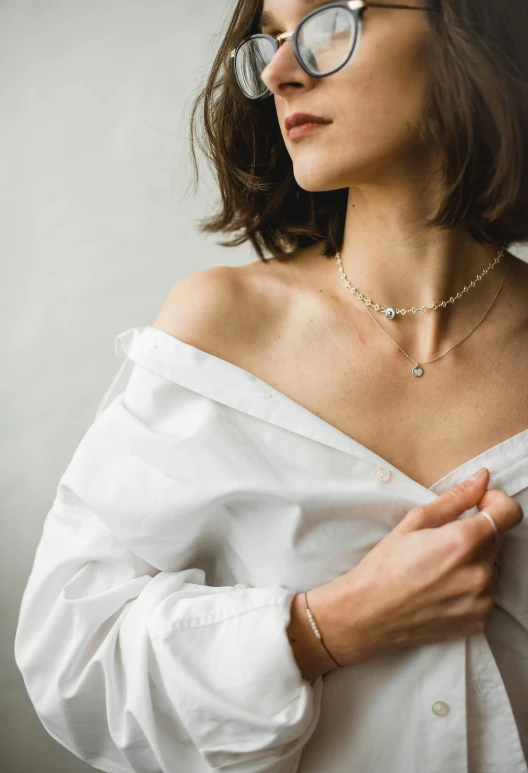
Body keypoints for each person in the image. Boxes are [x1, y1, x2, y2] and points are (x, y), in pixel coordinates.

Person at [14, 1, 528, 772]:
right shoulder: (221, 331)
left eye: (327, 22)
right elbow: (68, 652)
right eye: (271, 40)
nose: (281, 73)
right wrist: (331, 625)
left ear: (469, 26)